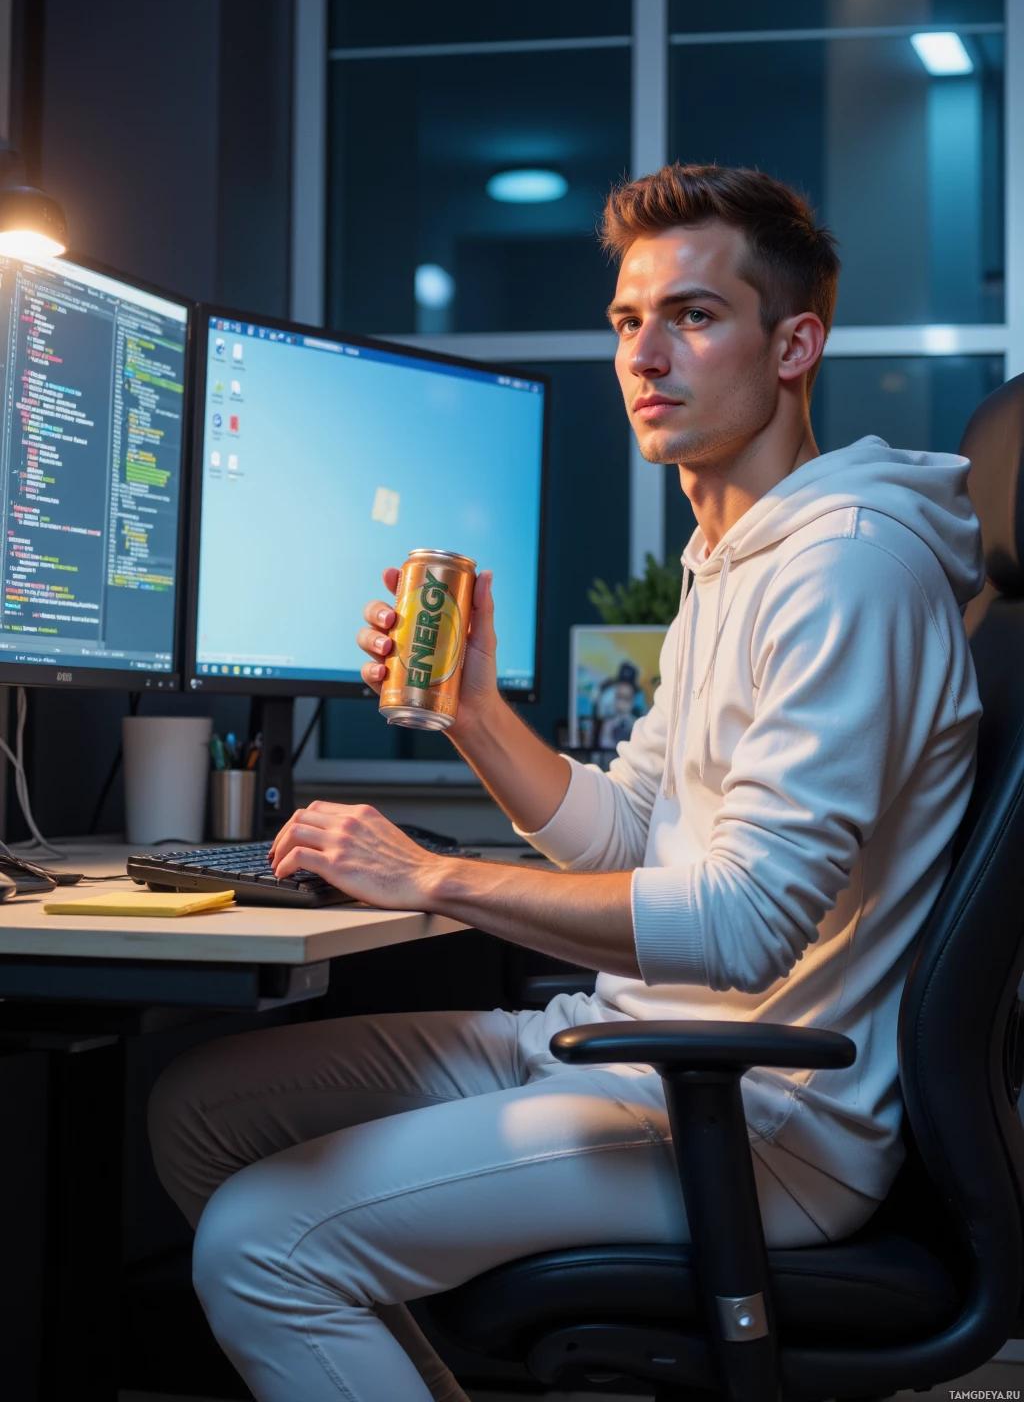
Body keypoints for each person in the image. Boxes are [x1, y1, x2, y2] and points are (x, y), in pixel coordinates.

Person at [148, 164, 984, 1402]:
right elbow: (632, 832)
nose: (646, 354)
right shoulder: (730, 555)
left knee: (260, 1247)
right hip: (638, 1055)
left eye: (694, 316)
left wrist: (428, 873)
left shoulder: (842, 570)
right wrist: (475, 714)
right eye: (626, 321)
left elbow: (746, 927)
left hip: (761, 1119)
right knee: (198, 1111)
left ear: (794, 343)